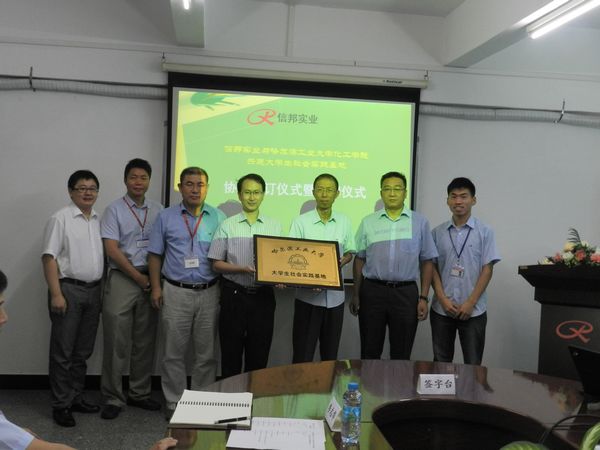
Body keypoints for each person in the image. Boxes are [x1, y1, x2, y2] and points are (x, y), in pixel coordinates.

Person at [148, 167, 226, 419]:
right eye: (189, 184)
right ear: (180, 187)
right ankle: (175, 402)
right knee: (173, 353)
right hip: (175, 291)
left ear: (207, 188)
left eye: (200, 184)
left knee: (206, 354)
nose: (195, 189)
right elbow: (154, 255)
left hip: (209, 291)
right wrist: (156, 287)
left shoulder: (219, 217)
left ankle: (201, 403)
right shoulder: (166, 217)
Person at [99, 159, 163, 420]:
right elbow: (111, 249)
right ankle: (113, 397)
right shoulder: (113, 210)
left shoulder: (158, 210)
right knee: (116, 341)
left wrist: (152, 281)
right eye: (133, 177)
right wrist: (138, 277)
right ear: (125, 180)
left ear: (149, 181)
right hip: (123, 278)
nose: (138, 182)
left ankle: (139, 393)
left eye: (143, 177)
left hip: (151, 278)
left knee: (145, 341)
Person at [351, 171, 437, 360]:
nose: (392, 193)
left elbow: (427, 261)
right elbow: (359, 259)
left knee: (401, 353)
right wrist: (356, 294)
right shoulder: (368, 222)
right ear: (381, 193)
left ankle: (400, 381)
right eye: (387, 189)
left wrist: (423, 297)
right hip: (372, 292)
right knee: (369, 350)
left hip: (405, 293)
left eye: (397, 189)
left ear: (405, 193)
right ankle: (370, 381)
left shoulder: (419, 222)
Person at [41, 170, 103, 427]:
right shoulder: (60, 218)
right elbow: (49, 258)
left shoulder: (97, 219)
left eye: (92, 188)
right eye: (82, 188)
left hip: (94, 290)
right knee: (63, 352)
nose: (88, 193)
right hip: (68, 290)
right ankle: (61, 405)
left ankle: (76, 397)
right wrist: (56, 293)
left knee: (82, 351)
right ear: (70, 191)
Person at [208, 174, 282, 378]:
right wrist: (242, 269)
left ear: (263, 195)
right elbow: (216, 264)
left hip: (263, 297)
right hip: (234, 295)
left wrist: (280, 278)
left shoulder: (274, 226)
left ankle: (253, 396)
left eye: (256, 192)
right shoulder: (227, 225)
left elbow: (279, 263)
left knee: (259, 354)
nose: (252, 197)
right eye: (247, 192)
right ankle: (232, 397)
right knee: (230, 353)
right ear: (240, 195)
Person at [430, 177, 500, 365]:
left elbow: (487, 269)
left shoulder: (485, 232)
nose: (458, 201)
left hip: (474, 311)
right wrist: (442, 299)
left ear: (473, 200)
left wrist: (470, 302)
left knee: (473, 364)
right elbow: (431, 268)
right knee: (441, 362)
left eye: (463, 196)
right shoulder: (437, 233)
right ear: (447, 201)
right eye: (453, 196)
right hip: (442, 309)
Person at [288, 173, 355, 363]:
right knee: (302, 355)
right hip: (307, 299)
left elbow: (350, 252)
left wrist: (343, 260)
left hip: (335, 300)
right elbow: (291, 257)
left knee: (330, 355)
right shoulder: (300, 222)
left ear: (337, 194)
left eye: (329, 190)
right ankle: (301, 384)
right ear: (313, 192)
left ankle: (327, 384)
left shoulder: (344, 221)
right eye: (320, 189)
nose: (324, 194)